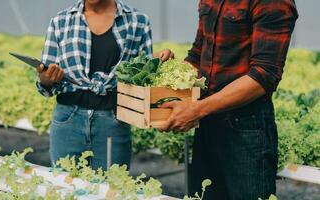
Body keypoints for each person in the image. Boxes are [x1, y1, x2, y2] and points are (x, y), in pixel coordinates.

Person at [159, 0, 298, 199]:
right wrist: (170, 77)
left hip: (246, 129)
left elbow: (264, 75)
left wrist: (197, 109)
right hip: (206, 123)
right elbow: (198, 55)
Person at [36, 0, 173, 170]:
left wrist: (156, 62)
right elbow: (46, 83)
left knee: (111, 190)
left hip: (113, 121)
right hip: (68, 121)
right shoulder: (60, 21)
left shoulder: (137, 21)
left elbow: (140, 76)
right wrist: (47, 78)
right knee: (65, 189)